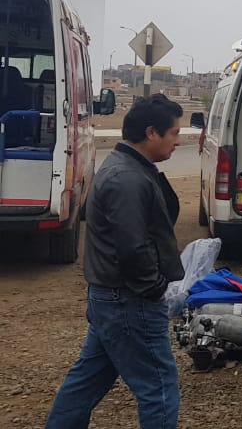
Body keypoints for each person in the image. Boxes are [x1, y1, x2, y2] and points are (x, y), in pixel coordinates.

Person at [46, 94, 185, 429]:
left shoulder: (129, 169)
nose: (178, 141)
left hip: (112, 297)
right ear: (152, 133)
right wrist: (152, 288)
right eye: (174, 133)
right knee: (159, 386)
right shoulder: (127, 178)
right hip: (128, 299)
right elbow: (133, 247)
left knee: (89, 378)